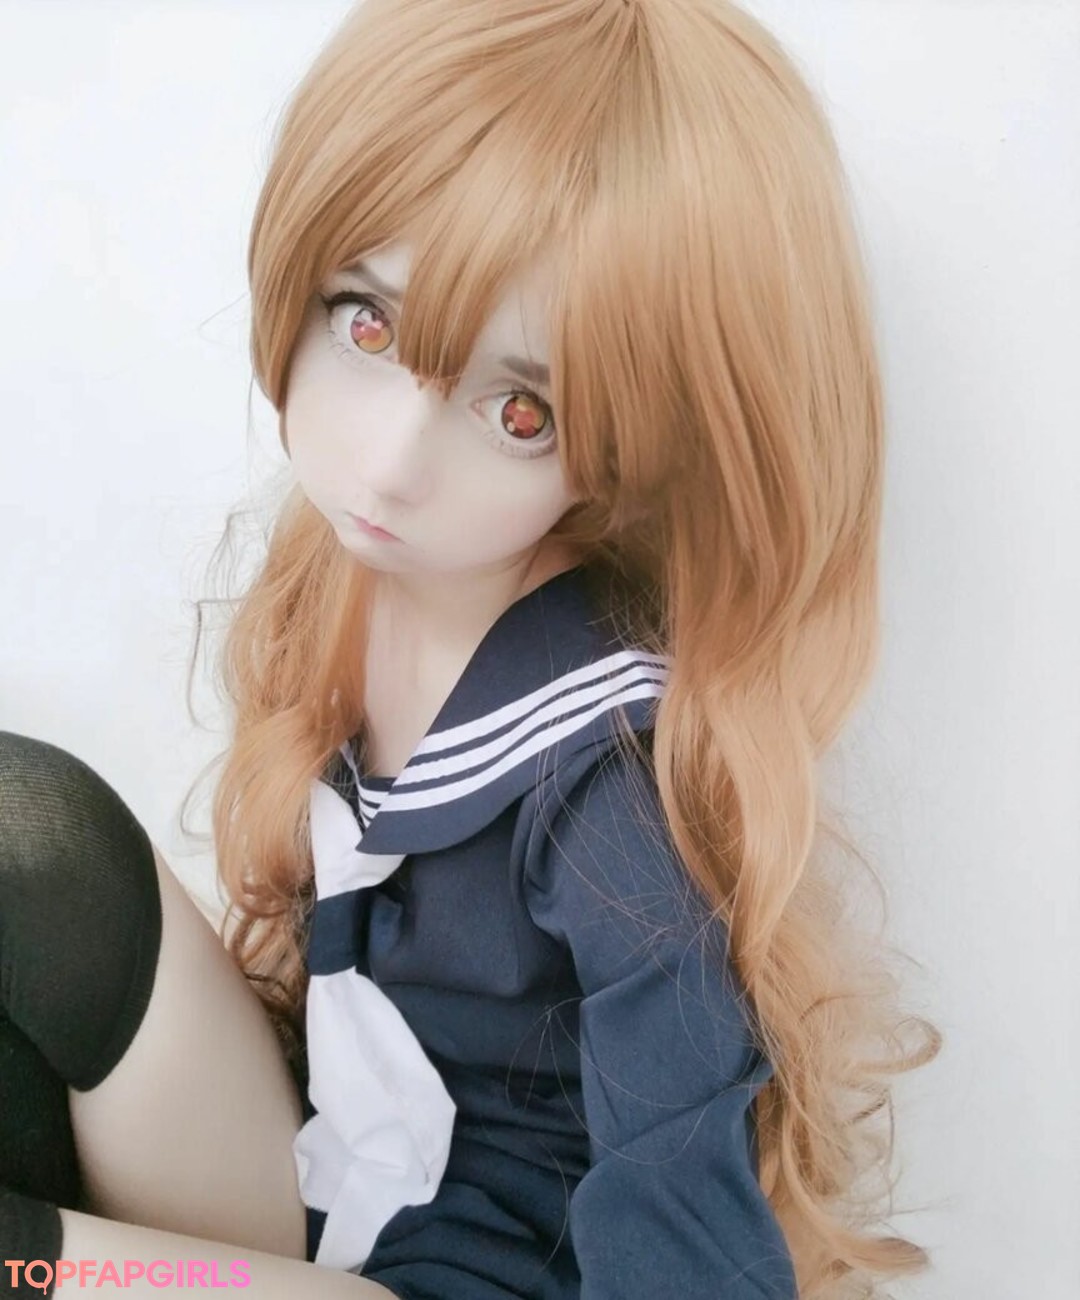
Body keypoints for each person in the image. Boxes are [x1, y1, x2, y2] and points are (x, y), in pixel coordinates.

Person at [0, 0, 941, 1296]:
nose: (391, 463)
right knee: (30, 834)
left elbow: (679, 1180)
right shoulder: (350, 580)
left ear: (628, 451)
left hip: (456, 1278)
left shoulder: (601, 778)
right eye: (367, 326)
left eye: (519, 411)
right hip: (315, 1174)